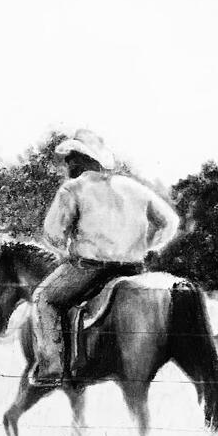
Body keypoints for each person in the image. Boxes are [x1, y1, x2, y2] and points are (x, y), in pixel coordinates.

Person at [29, 129, 179, 387]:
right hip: (133, 270)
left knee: (44, 298)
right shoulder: (134, 188)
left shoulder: (72, 189)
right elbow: (171, 222)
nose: (67, 163)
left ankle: (51, 369)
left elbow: (52, 234)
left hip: (89, 268)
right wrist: (149, 247)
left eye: (72, 157)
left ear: (84, 159)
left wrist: (68, 249)